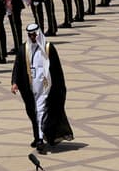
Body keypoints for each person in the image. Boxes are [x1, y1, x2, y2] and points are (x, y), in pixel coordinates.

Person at [11, 24, 74, 152]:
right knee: (33, 112)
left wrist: (58, 87)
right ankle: (38, 136)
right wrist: (14, 82)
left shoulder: (48, 48)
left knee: (40, 111)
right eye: (30, 35)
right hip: (30, 87)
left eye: (34, 35)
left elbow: (57, 70)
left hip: (46, 87)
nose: (32, 37)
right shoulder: (24, 49)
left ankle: (40, 139)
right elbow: (17, 66)